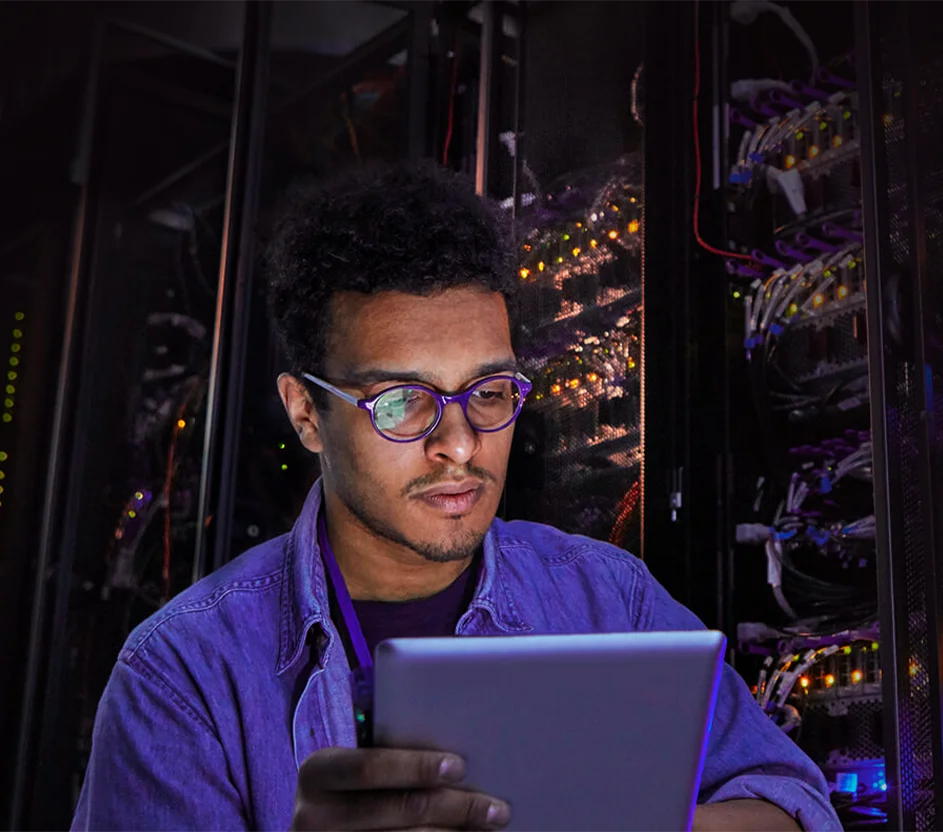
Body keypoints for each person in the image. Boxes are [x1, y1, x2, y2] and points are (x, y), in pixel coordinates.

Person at [71, 160, 840, 832]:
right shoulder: (185, 675)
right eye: (402, 401)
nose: (461, 443)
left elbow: (790, 803)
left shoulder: (606, 598)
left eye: (489, 390)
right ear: (307, 414)